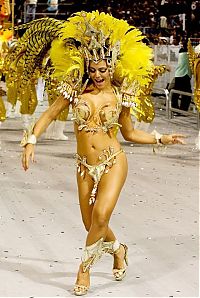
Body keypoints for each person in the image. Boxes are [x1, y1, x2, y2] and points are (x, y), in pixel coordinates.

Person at [20, 11, 185, 296]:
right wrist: (31, 139)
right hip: (84, 164)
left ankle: (84, 270)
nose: (97, 75)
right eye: (93, 69)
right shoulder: (75, 91)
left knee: (100, 217)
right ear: (86, 66)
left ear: (112, 68)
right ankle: (119, 249)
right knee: (91, 222)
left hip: (113, 161)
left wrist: (161, 137)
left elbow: (130, 133)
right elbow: (48, 114)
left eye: (103, 69)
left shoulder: (122, 96)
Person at [171, 40, 192, 112]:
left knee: (176, 93)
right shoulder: (188, 53)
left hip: (178, 74)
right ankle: (183, 109)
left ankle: (175, 108)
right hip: (185, 75)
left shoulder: (181, 51)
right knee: (187, 94)